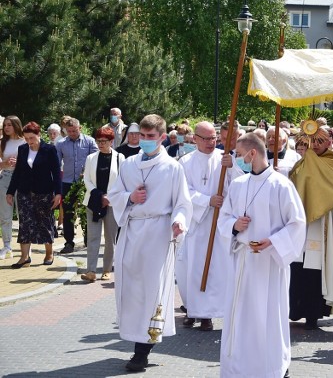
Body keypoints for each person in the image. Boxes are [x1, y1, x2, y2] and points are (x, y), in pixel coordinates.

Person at [108, 114, 192, 372]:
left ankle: (143, 349)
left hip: (158, 231)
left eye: (150, 137)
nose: (145, 141)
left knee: (152, 289)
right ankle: (136, 337)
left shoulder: (173, 167)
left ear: (162, 138)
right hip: (132, 229)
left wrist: (179, 221)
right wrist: (130, 196)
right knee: (130, 287)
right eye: (142, 136)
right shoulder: (128, 164)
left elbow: (182, 202)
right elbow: (114, 194)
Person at [219, 132, 305, 377]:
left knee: (269, 316)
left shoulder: (281, 184)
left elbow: (297, 223)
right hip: (243, 261)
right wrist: (235, 226)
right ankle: (238, 367)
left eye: (239, 154)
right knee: (240, 316)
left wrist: (273, 241)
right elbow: (224, 219)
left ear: (252, 153)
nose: (237, 159)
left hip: (269, 264)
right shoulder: (238, 184)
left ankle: (274, 366)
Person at [176, 121, 243, 331]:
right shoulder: (185, 162)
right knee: (191, 268)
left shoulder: (224, 160)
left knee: (214, 269)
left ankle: (208, 315)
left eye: (213, 138)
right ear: (195, 138)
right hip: (196, 224)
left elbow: (241, 185)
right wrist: (207, 201)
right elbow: (183, 191)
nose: (210, 142)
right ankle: (191, 309)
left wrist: (231, 168)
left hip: (218, 224)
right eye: (205, 138)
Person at [288, 124, 333, 330]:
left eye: (321, 140)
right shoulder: (301, 163)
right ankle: (296, 309)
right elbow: (294, 183)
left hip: (325, 220)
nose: (317, 145)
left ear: (330, 141)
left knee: (317, 268)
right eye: (313, 141)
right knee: (299, 266)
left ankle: (313, 313)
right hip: (303, 221)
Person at [6, 122, 61, 268]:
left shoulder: (49, 150)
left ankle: (49, 253)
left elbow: (56, 173)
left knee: (45, 222)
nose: (29, 141)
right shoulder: (22, 149)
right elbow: (17, 172)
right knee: (25, 224)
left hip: (44, 192)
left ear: (39, 135)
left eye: (32, 138)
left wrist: (58, 193)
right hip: (24, 192)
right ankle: (25, 257)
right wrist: (10, 191)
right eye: (26, 138)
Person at [81, 127, 124, 282]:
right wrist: (99, 195)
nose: (100, 144)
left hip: (112, 204)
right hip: (93, 202)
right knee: (93, 237)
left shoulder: (120, 158)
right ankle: (91, 270)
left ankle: (107, 269)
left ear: (111, 141)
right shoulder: (91, 158)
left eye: (104, 141)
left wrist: (109, 197)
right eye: (98, 141)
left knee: (110, 238)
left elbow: (122, 181)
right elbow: (87, 180)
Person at [56, 117, 98, 253]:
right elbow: (56, 163)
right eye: (69, 131)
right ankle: (69, 242)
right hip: (67, 182)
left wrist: (86, 172)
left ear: (80, 128)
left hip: (86, 183)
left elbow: (96, 159)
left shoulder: (90, 141)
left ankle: (88, 239)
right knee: (68, 213)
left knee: (87, 212)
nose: (72, 133)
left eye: (74, 130)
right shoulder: (61, 143)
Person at [0, 116, 26, 260]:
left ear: (16, 125)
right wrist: (4, 163)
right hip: (5, 178)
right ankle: (7, 246)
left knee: (22, 213)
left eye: (9, 125)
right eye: (5, 125)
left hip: (22, 179)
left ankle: (25, 246)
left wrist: (20, 163)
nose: (6, 128)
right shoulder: (3, 143)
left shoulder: (25, 141)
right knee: (5, 215)